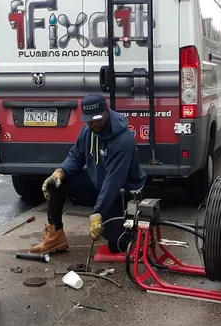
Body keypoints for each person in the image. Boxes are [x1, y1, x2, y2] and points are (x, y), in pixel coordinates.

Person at [30, 94, 147, 255]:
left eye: (98, 118)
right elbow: (75, 157)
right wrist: (61, 170)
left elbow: (113, 182)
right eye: (90, 120)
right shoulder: (88, 130)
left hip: (122, 194)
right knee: (56, 182)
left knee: (118, 246)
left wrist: (97, 213)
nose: (94, 123)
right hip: (98, 184)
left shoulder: (123, 141)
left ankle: (133, 226)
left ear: (107, 111)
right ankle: (55, 234)